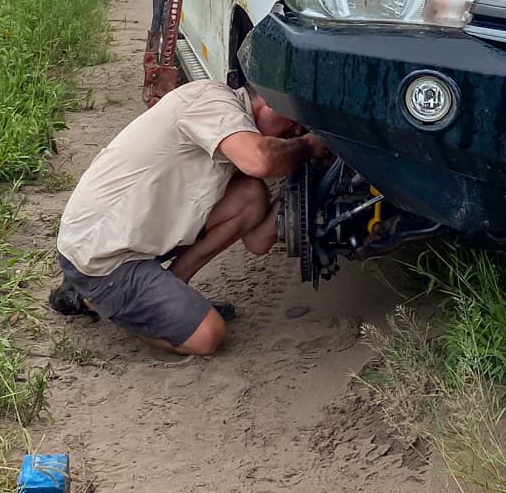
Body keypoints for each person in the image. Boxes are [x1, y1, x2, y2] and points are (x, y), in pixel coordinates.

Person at [51, 79, 326, 357]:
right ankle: (101, 302)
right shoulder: (211, 100)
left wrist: (301, 191)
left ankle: (169, 292)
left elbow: (257, 241)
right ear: (267, 102)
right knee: (208, 336)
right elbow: (261, 161)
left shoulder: (233, 123)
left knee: (251, 196)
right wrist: (309, 146)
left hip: (129, 233)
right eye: (292, 118)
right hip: (104, 255)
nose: (296, 128)